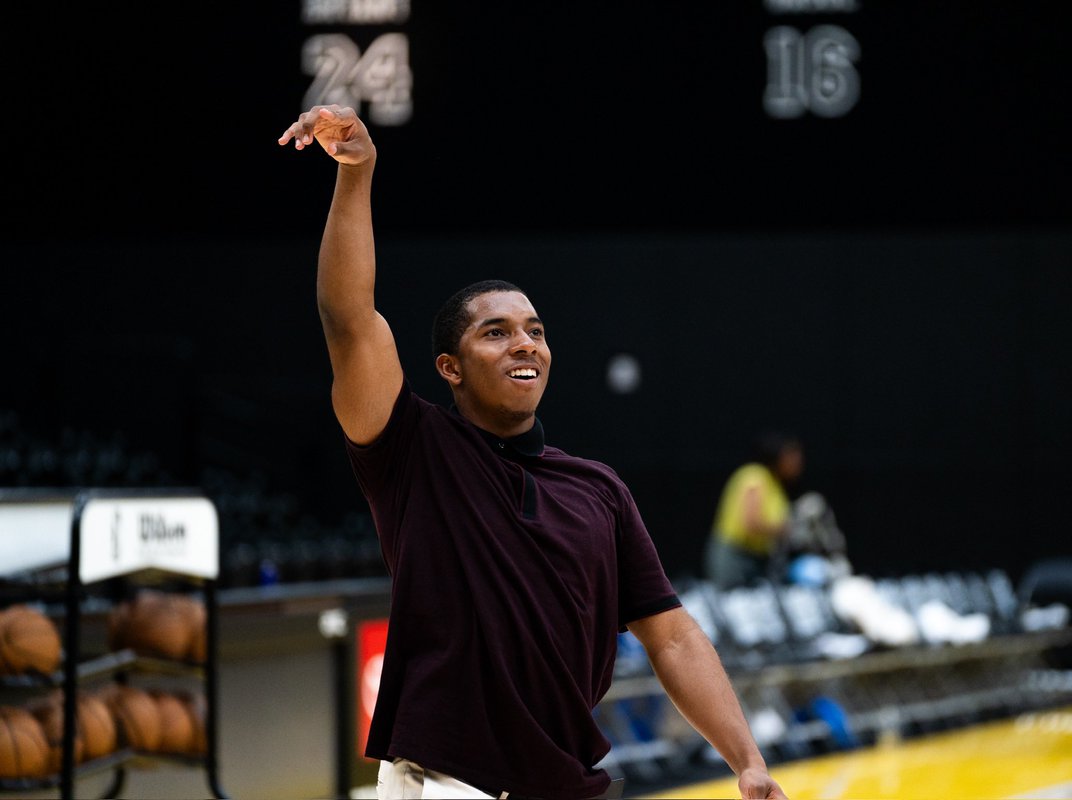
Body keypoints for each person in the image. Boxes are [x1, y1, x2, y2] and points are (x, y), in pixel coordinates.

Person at [278, 105, 788, 800]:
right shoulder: (413, 450)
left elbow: (670, 638)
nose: (525, 343)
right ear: (449, 367)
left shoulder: (598, 490)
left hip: (564, 782)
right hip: (448, 780)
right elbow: (347, 319)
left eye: (536, 330)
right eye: (495, 333)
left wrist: (745, 758)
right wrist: (358, 173)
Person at [705, 432, 805, 590]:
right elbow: (751, 523)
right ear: (777, 455)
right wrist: (787, 528)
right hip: (735, 556)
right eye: (792, 455)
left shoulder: (775, 484)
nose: (798, 461)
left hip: (755, 558)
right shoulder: (755, 476)